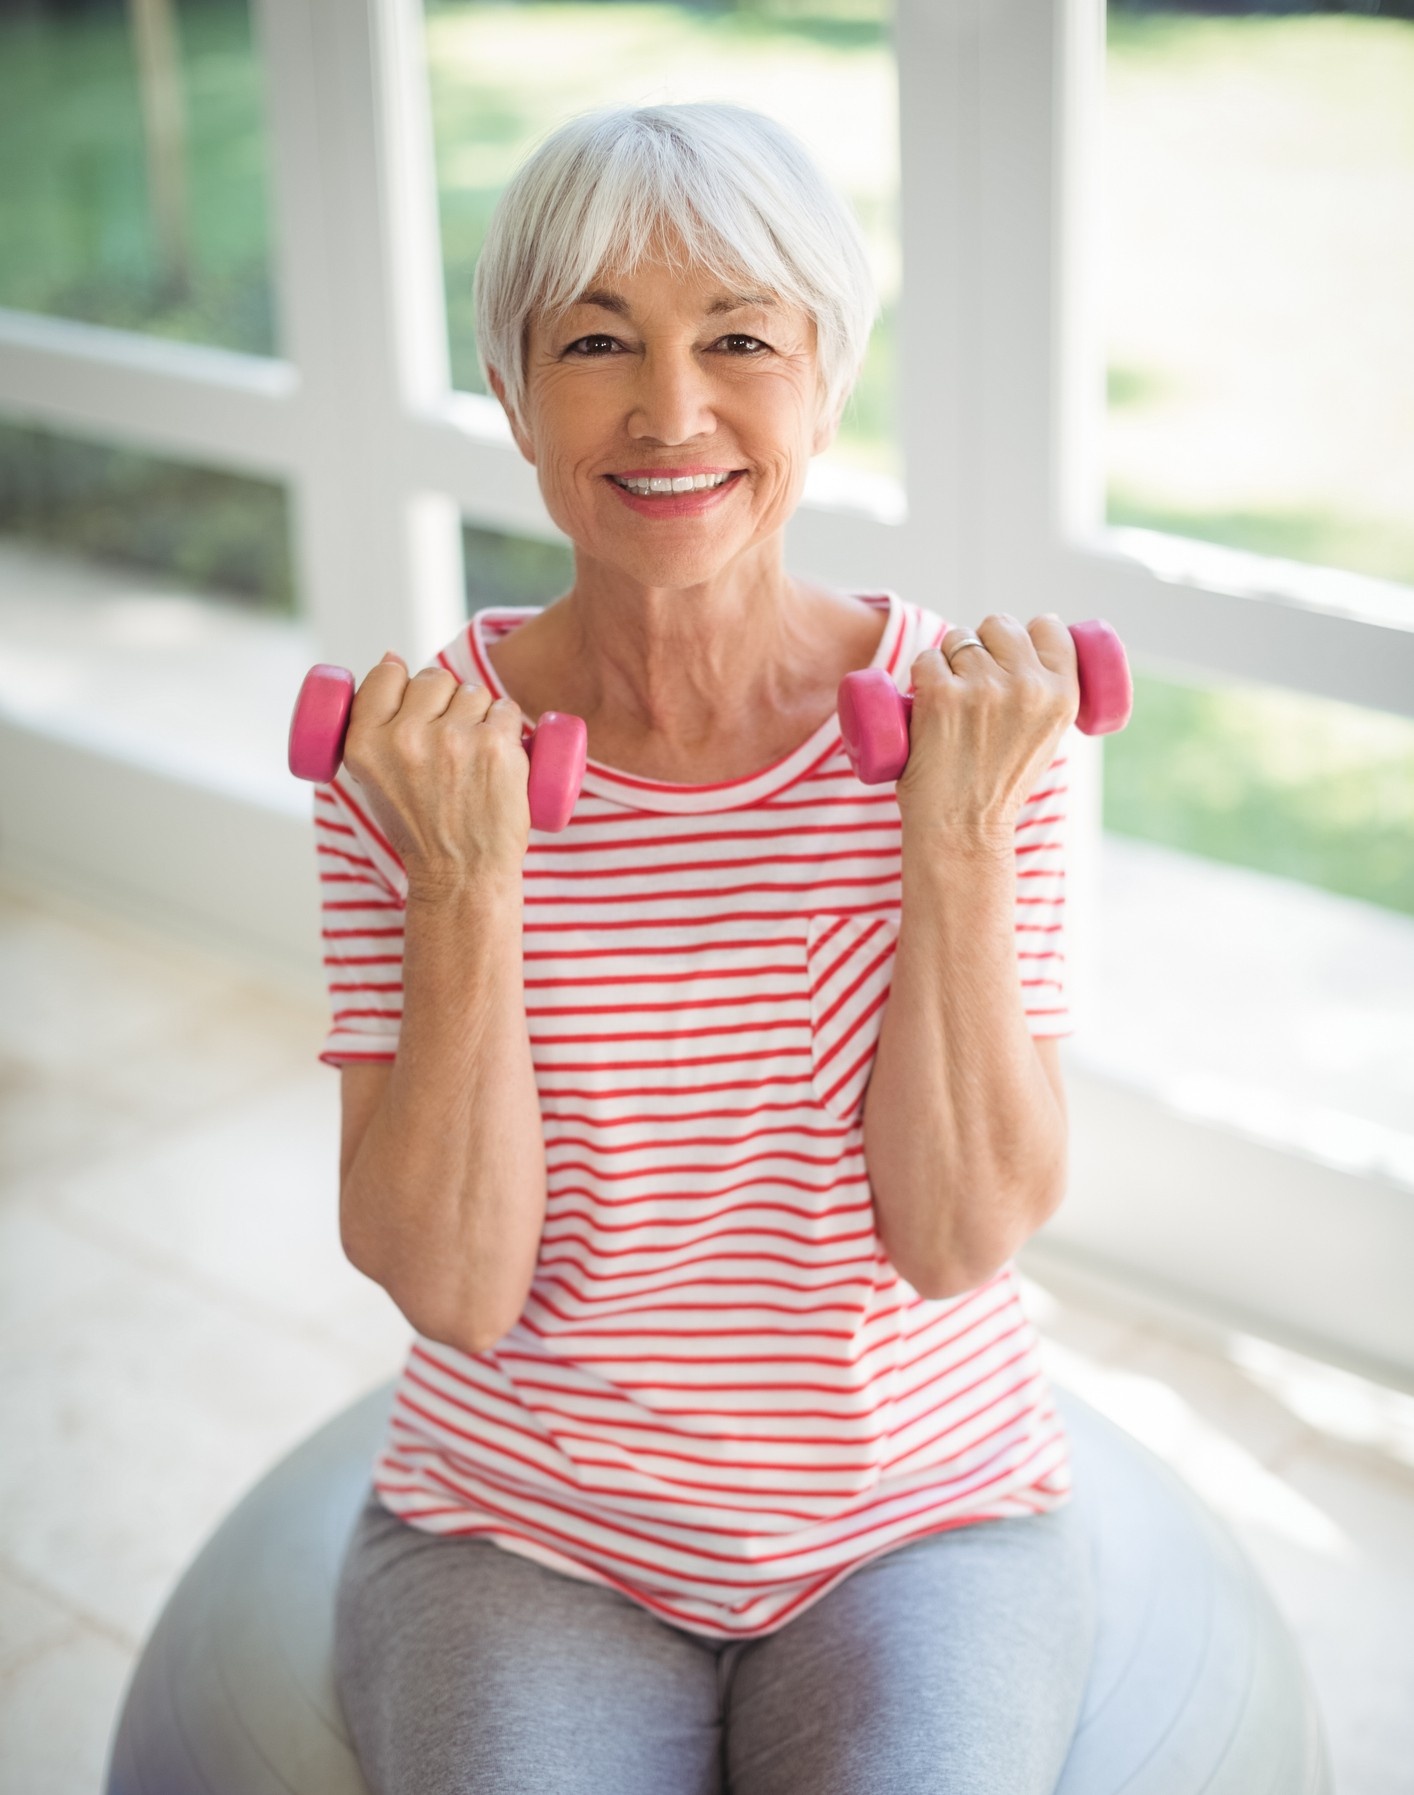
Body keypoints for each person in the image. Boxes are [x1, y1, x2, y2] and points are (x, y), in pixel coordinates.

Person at [318, 100, 1096, 1795]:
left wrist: (951, 839)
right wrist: (468, 882)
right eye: (596, 343)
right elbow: (451, 1289)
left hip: (919, 1513)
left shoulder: (977, 736)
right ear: (514, 394)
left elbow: (958, 1239)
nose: (670, 412)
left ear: (823, 382)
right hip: (522, 1524)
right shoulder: (414, 766)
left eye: (738, 339)